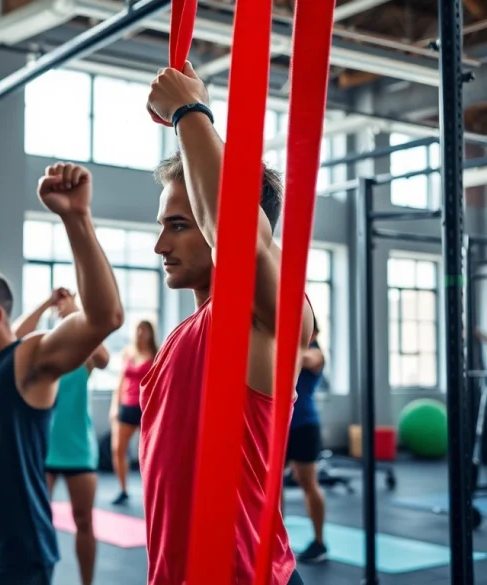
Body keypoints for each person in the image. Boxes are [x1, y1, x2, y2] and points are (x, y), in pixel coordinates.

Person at [140, 62, 313, 585]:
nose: (160, 246)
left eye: (177, 226)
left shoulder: (266, 319)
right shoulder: (183, 336)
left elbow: (240, 241)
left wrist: (190, 113)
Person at [0, 162, 124, 585]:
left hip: (14, 561)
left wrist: (75, 217)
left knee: (84, 519)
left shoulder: (27, 363)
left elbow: (104, 318)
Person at [13, 287, 110, 585]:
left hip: (78, 447)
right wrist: (46, 303)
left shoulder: (85, 355)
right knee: (37, 522)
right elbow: (16, 335)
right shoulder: (41, 352)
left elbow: (104, 358)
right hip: (42, 449)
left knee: (84, 521)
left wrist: (74, 313)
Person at [285, 319, 327, 564]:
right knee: (272, 486)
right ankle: (273, 538)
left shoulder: (315, 354)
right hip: (279, 426)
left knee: (308, 482)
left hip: (304, 425)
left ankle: (319, 542)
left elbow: (305, 359)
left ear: (316, 333)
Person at [108, 319, 157, 506]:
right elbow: (120, 382)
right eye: (137, 329)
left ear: (150, 333)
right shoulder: (127, 353)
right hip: (126, 406)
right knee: (117, 449)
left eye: (144, 330)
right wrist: (114, 407)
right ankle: (123, 490)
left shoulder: (155, 353)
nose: (140, 333)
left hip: (145, 408)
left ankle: (151, 491)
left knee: (149, 454)